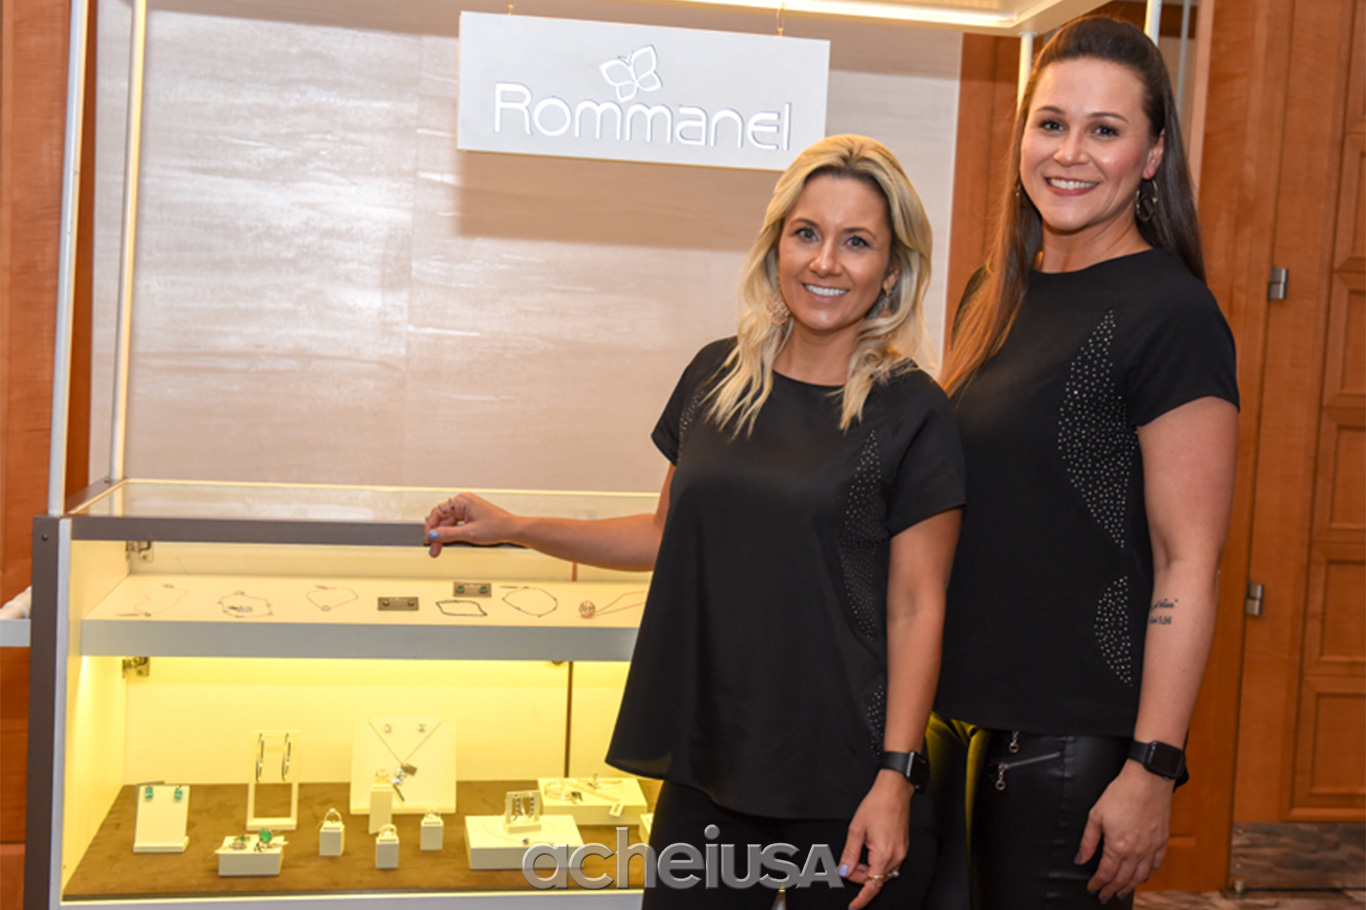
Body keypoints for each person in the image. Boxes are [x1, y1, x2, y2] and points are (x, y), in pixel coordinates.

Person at [425, 134, 965, 909]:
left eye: (857, 242)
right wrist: (515, 526)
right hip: (711, 764)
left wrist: (896, 777)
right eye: (806, 233)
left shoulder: (914, 411)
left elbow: (917, 607)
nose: (825, 262)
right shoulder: (718, 376)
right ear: (776, 246)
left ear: (891, 270)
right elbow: (662, 535)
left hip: (845, 775)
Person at [928, 16, 1239, 910]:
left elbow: (1189, 562)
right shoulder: (993, 294)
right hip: (953, 721)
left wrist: (1153, 767)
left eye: (1105, 130)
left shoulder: (1172, 315)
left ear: (1151, 156)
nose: (1070, 153)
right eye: (1052, 123)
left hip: (1068, 747)